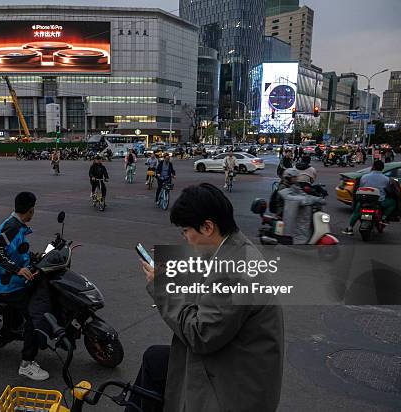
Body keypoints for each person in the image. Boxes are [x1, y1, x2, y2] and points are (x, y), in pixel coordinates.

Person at [129, 183, 284, 412]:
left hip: (234, 384)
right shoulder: (234, 245)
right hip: (236, 360)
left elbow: (200, 334)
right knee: (154, 359)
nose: (185, 238)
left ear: (207, 226)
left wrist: (161, 288)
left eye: (186, 231)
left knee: (156, 363)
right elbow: (210, 283)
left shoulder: (234, 271)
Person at [0, 192, 52, 381]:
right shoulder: (12, 227)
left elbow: (16, 251)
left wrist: (34, 258)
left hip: (16, 278)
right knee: (34, 316)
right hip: (8, 284)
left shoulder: (17, 225)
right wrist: (17, 269)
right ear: (30, 210)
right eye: (34, 209)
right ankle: (26, 363)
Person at [342, 160, 396, 235]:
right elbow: (389, 190)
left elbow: (360, 187)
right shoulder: (386, 179)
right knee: (392, 203)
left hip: (363, 200)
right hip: (379, 201)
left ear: (373, 167)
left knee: (356, 212)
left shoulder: (364, 177)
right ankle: (384, 218)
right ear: (382, 168)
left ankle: (350, 228)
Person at [278, 168, 326, 244]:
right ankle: (297, 239)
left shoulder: (294, 185)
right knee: (301, 220)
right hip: (282, 208)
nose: (296, 179)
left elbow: (302, 194)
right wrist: (306, 200)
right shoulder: (282, 187)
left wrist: (317, 199)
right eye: (294, 177)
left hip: (292, 206)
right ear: (288, 178)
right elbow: (291, 198)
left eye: (296, 177)